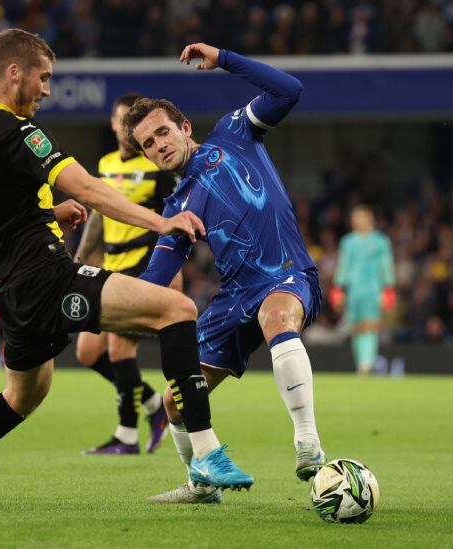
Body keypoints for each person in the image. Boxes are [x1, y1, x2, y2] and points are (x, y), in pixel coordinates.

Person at [0, 29, 252, 512]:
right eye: (42, 78)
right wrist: (161, 220)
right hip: (48, 279)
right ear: (13, 71)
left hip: (9, 291)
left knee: (19, 399)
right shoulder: (21, 133)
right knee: (177, 307)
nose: (46, 89)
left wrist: (46, 215)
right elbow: (89, 188)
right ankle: (206, 454)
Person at [124, 42, 326, 504]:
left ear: (184, 127)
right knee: (176, 400)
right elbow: (156, 278)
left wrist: (225, 59)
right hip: (233, 297)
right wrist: (106, 295)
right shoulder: (175, 209)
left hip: (285, 275)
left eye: (163, 133)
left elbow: (289, 90)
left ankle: (307, 442)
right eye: (148, 144)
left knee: (276, 319)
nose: (159, 146)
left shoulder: (233, 134)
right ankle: (199, 484)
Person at [74, 93, 180, 456]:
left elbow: (172, 217)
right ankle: (152, 405)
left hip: (144, 264)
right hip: (111, 265)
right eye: (119, 122)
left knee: (119, 346)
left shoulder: (155, 167)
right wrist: (80, 256)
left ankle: (126, 436)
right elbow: (99, 215)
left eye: (129, 124)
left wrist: (172, 272)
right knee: (88, 352)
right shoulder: (104, 164)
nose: (125, 129)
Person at [329, 205, 395, 374]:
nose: (357, 221)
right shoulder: (348, 242)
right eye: (354, 218)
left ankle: (367, 362)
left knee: (371, 325)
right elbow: (344, 265)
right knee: (357, 326)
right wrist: (338, 287)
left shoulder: (381, 241)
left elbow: (385, 265)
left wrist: (388, 287)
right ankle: (361, 363)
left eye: (361, 217)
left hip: (373, 287)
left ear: (370, 219)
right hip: (354, 288)